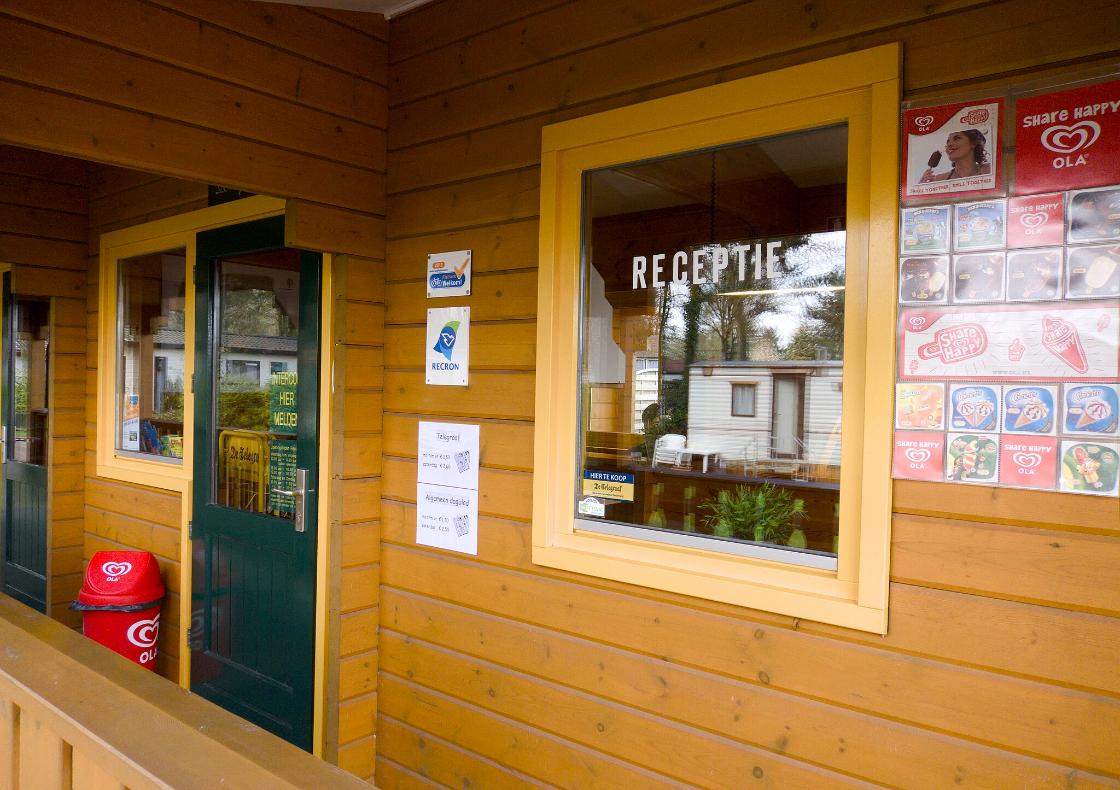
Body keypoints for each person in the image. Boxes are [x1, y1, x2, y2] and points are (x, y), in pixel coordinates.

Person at [919, 129, 991, 182]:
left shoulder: (989, 170)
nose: (949, 144)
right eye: (948, 141)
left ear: (973, 143)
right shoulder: (938, 180)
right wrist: (921, 186)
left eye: (957, 138)